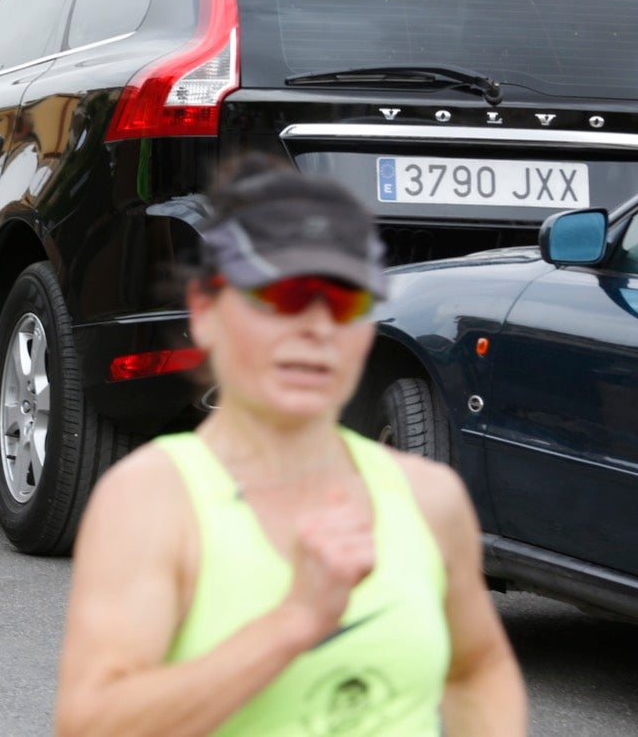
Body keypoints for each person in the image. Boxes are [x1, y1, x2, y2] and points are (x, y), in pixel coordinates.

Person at [53, 156, 527, 736]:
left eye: (344, 302)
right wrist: (294, 622)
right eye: (280, 297)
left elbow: (477, 670)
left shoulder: (428, 498)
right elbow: (94, 724)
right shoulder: (154, 500)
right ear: (205, 312)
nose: (316, 328)